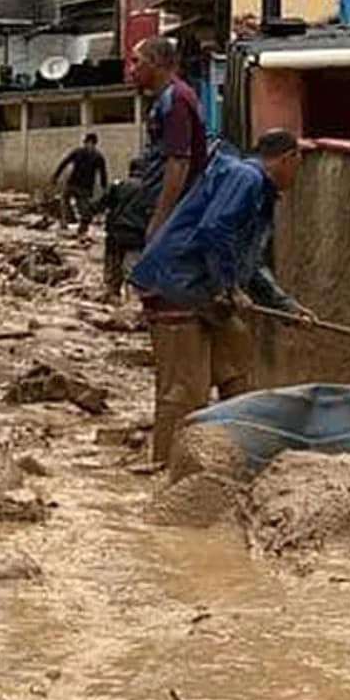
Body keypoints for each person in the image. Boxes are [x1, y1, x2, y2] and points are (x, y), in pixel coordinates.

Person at [129, 128, 316, 465]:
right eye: (298, 163)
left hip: (203, 290)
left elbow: (251, 263)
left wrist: (284, 305)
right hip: (175, 285)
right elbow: (215, 229)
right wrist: (227, 287)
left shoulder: (258, 190)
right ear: (288, 158)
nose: (297, 173)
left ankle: (237, 453)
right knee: (184, 388)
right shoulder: (245, 178)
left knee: (237, 361)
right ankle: (169, 468)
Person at [129, 36, 209, 240]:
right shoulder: (168, 97)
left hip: (178, 210)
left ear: (155, 62)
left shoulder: (176, 99)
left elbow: (178, 163)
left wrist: (159, 221)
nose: (131, 69)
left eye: (136, 61)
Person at [84, 160, 148, 302]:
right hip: (137, 235)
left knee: (113, 274)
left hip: (115, 233)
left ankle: (112, 302)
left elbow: (99, 204)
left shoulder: (118, 185)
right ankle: (132, 303)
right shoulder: (149, 188)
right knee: (132, 272)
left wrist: (86, 217)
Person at [52, 131, 108, 237]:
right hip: (80, 185)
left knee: (75, 203)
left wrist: (56, 176)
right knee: (69, 201)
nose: (88, 145)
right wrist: (104, 187)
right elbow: (64, 162)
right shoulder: (96, 156)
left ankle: (74, 222)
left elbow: (64, 162)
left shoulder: (82, 153)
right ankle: (73, 222)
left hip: (77, 184)